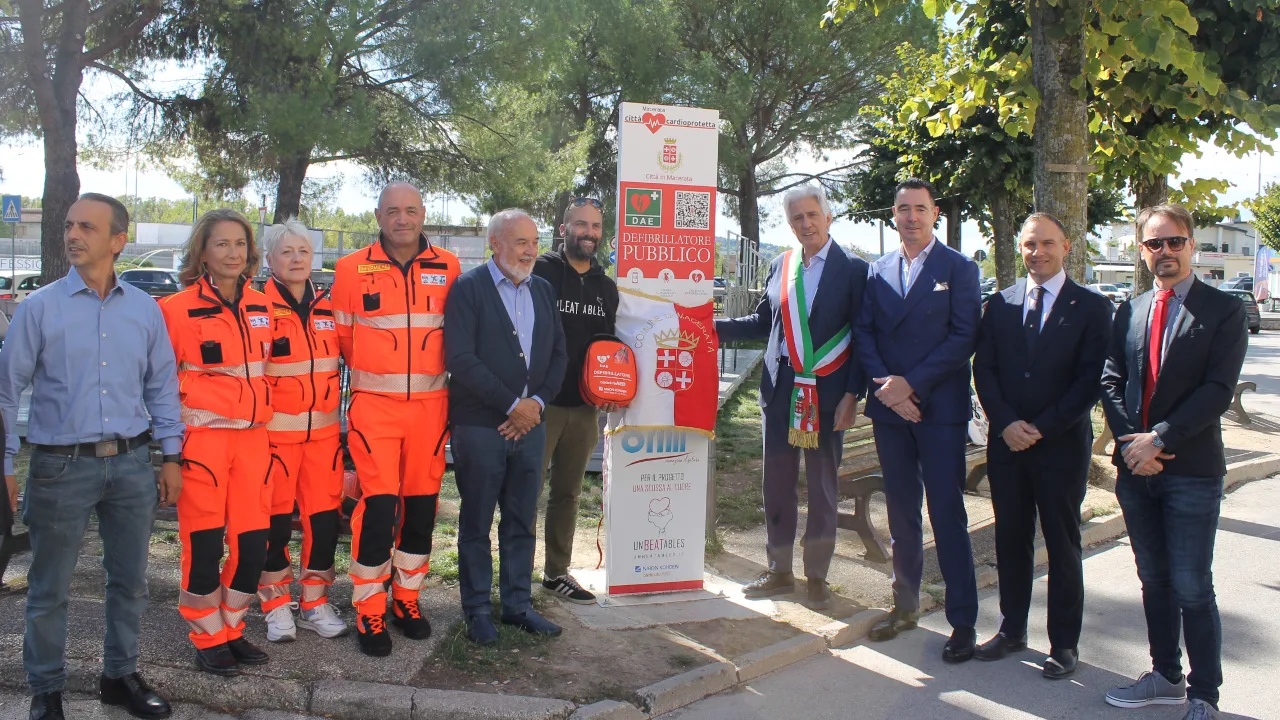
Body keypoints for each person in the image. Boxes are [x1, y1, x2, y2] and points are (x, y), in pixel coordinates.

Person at [0, 194, 181, 720]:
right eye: (68, 225)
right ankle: (46, 690)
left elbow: (162, 388)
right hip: (60, 466)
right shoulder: (39, 308)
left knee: (129, 581)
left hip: (130, 464)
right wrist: (5, 465)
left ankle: (119, 676)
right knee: (49, 587)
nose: (73, 235)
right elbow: (6, 393)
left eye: (87, 227)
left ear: (118, 241)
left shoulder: (145, 311)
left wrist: (171, 455)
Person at [1100, 203, 1248, 720]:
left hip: (1190, 470)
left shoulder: (1224, 310)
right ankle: (1165, 675)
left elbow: (1217, 390)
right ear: (1141, 250)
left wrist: (1157, 439)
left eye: (1174, 242)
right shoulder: (1131, 309)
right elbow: (1111, 379)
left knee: (1191, 584)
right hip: (1135, 472)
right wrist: (1129, 444)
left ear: (1192, 245)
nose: (1164, 252)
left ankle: (1204, 693)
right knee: (1154, 580)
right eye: (1153, 244)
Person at [971, 213, 1114, 679]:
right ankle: (1012, 630)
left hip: (1060, 446)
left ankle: (1064, 644)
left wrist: (1042, 427)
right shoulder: (1001, 304)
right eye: (1030, 245)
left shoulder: (1092, 307)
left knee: (1062, 542)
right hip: (1007, 444)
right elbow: (985, 370)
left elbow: (1089, 379)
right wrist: (1006, 422)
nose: (1039, 252)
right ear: (1020, 248)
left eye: (1048, 243)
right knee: (1011, 538)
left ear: (1066, 246)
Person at [715, 184, 867, 609]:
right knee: (777, 485)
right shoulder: (782, 265)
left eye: (812, 215)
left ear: (828, 216)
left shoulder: (854, 270)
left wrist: (854, 393)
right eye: (796, 217)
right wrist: (708, 326)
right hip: (780, 391)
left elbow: (864, 338)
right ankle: (779, 569)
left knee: (822, 488)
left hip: (829, 394)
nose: (806, 224)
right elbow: (763, 321)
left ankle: (817, 575)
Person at [330, 182, 460, 656]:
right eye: (392, 211)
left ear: (423, 214)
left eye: (410, 211)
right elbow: (343, 340)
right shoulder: (350, 268)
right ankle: (369, 607)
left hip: (431, 410)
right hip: (375, 411)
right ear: (379, 216)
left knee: (422, 509)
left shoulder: (448, 266)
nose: (401, 219)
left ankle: (407, 599)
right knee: (379, 509)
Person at [853, 178, 981, 662]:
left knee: (947, 515)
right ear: (893, 215)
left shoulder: (960, 268)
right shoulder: (876, 270)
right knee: (902, 515)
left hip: (938, 411)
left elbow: (963, 336)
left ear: (935, 214)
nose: (911, 217)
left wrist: (913, 385)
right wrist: (888, 388)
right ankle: (903, 605)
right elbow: (864, 332)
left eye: (920, 209)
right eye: (902, 209)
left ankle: (963, 622)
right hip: (891, 412)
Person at [444, 208, 567, 645]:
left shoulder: (545, 291)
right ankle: (477, 609)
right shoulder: (468, 288)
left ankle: (517, 605)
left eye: (534, 242)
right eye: (520, 242)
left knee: (521, 519)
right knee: (476, 521)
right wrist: (511, 405)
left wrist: (533, 405)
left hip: (531, 426)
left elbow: (558, 356)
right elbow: (460, 359)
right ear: (495, 244)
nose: (530, 250)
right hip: (480, 427)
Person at [161, 209, 275, 677]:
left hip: (254, 443)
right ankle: (206, 635)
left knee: (252, 544)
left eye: (240, 244)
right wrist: (169, 450)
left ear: (250, 252)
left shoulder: (263, 306)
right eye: (221, 244)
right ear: (203, 253)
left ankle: (232, 627)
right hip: (204, 444)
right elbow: (160, 384)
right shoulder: (176, 309)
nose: (233, 252)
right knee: (205, 545)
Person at [255, 219, 348, 642]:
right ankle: (276, 606)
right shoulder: (255, 308)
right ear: (270, 259)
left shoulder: (331, 306)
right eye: (287, 252)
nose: (296, 259)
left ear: (314, 258)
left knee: (324, 523)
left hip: (325, 440)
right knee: (272, 526)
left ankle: (314, 600)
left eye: (303, 251)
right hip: (274, 439)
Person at [531, 197, 619, 604]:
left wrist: (611, 389)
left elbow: (610, 346)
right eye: (581, 225)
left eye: (596, 226)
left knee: (567, 493)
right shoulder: (541, 272)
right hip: (540, 405)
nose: (589, 232)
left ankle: (556, 573)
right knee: (526, 491)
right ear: (564, 229)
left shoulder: (606, 287)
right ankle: (514, 575)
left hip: (584, 409)